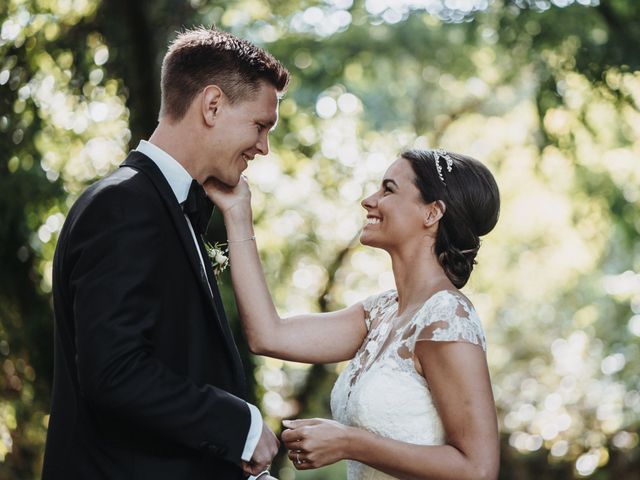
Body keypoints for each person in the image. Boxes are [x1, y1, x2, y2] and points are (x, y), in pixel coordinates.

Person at [42, 27, 289, 480]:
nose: (263, 147)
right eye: (260, 125)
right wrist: (240, 425)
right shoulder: (122, 206)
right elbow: (114, 372)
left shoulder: (165, 205)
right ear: (212, 105)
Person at [205, 148, 501, 480]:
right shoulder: (380, 313)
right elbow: (267, 335)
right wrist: (237, 212)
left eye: (388, 189)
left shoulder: (447, 317)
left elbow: (479, 469)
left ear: (432, 213)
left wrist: (349, 442)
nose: (369, 200)